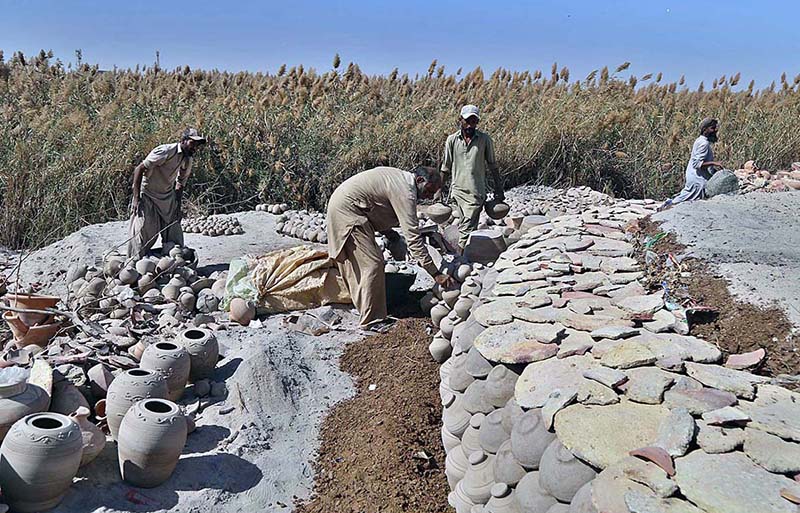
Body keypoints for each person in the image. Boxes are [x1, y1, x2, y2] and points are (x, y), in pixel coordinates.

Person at [326, 166, 454, 331]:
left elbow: (376, 206)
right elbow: (413, 238)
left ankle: (368, 305)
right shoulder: (406, 191)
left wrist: (390, 234)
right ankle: (371, 321)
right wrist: (436, 273)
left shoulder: (400, 180)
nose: (429, 196)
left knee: (363, 264)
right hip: (348, 212)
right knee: (372, 264)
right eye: (429, 190)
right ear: (420, 180)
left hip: (350, 208)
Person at [127, 128, 206, 259]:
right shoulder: (165, 151)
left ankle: (174, 261)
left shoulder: (187, 159)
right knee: (143, 230)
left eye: (197, 145)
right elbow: (139, 169)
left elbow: (180, 183)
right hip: (148, 193)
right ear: (183, 141)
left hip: (167, 196)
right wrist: (136, 198)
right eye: (193, 143)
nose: (195, 148)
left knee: (174, 229)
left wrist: (177, 206)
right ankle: (136, 261)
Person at [440, 104, 504, 252]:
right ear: (460, 120)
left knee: (467, 225)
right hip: (457, 191)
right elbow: (445, 167)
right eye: (467, 121)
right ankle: (468, 253)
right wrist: (439, 191)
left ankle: (459, 255)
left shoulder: (485, 140)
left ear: (477, 122)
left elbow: (493, 166)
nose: (470, 125)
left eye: (474, 122)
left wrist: (499, 189)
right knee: (465, 223)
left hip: (476, 192)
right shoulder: (451, 140)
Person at [662, 118, 724, 208]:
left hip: (694, 176)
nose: (715, 130)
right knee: (684, 200)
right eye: (712, 128)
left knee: (687, 198)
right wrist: (714, 163)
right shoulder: (704, 144)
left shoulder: (700, 140)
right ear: (704, 129)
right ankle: (668, 205)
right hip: (697, 179)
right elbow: (697, 164)